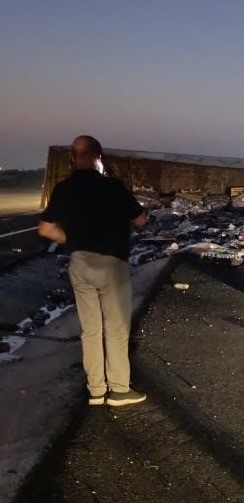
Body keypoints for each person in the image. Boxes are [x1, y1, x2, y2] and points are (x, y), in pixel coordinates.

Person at [38, 135, 149, 407]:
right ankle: (119, 389)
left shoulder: (64, 188)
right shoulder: (113, 186)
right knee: (116, 328)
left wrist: (73, 240)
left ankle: (96, 390)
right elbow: (141, 219)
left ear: (73, 159)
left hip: (80, 263)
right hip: (111, 265)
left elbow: (46, 229)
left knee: (90, 330)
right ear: (100, 157)